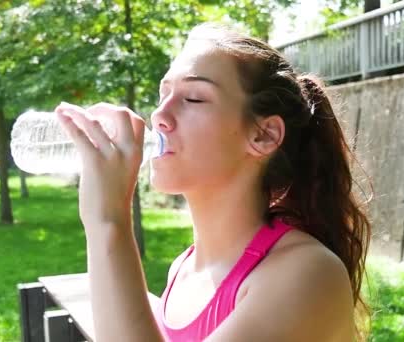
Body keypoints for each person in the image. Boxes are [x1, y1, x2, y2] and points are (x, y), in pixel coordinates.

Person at [55, 22, 371, 342]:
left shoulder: (306, 274)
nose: (159, 116)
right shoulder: (185, 268)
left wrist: (108, 221)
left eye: (193, 98)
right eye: (164, 94)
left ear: (263, 135)